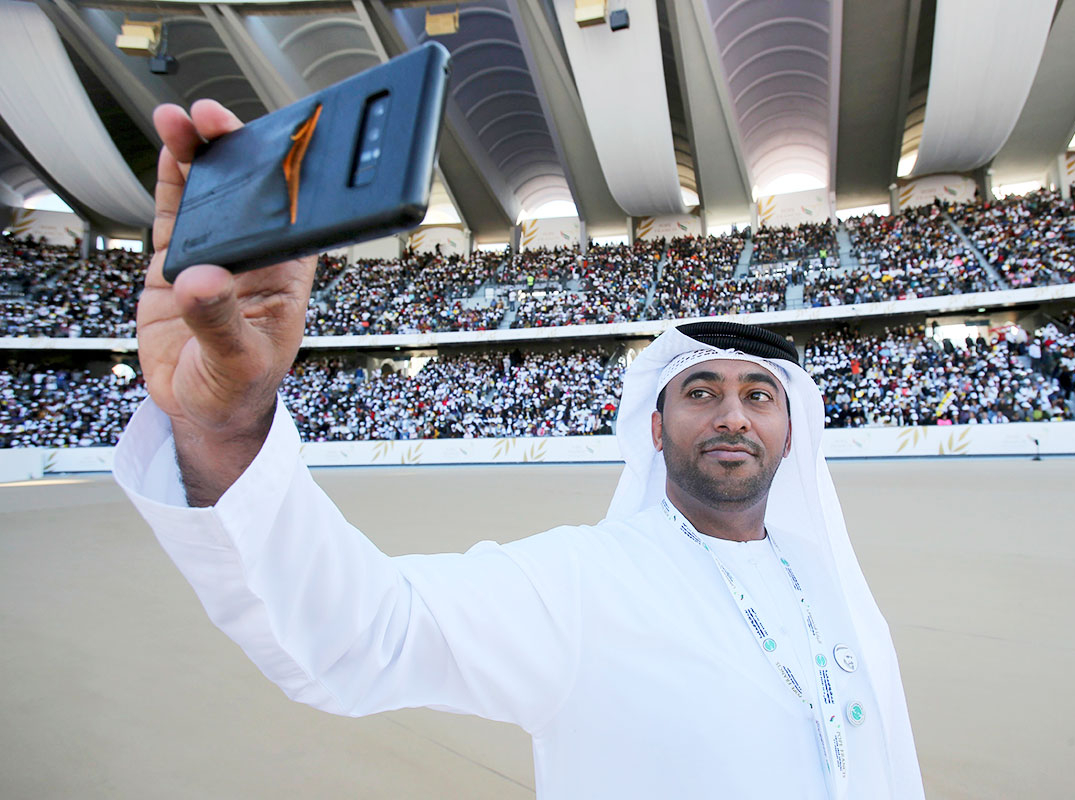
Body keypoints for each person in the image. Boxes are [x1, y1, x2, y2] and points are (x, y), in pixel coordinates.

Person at [113, 99, 924, 798]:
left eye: (758, 395)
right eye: (701, 391)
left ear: (792, 430)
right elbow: (366, 635)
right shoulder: (585, 582)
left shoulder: (831, 583)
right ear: (654, 426)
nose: (733, 416)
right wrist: (225, 423)